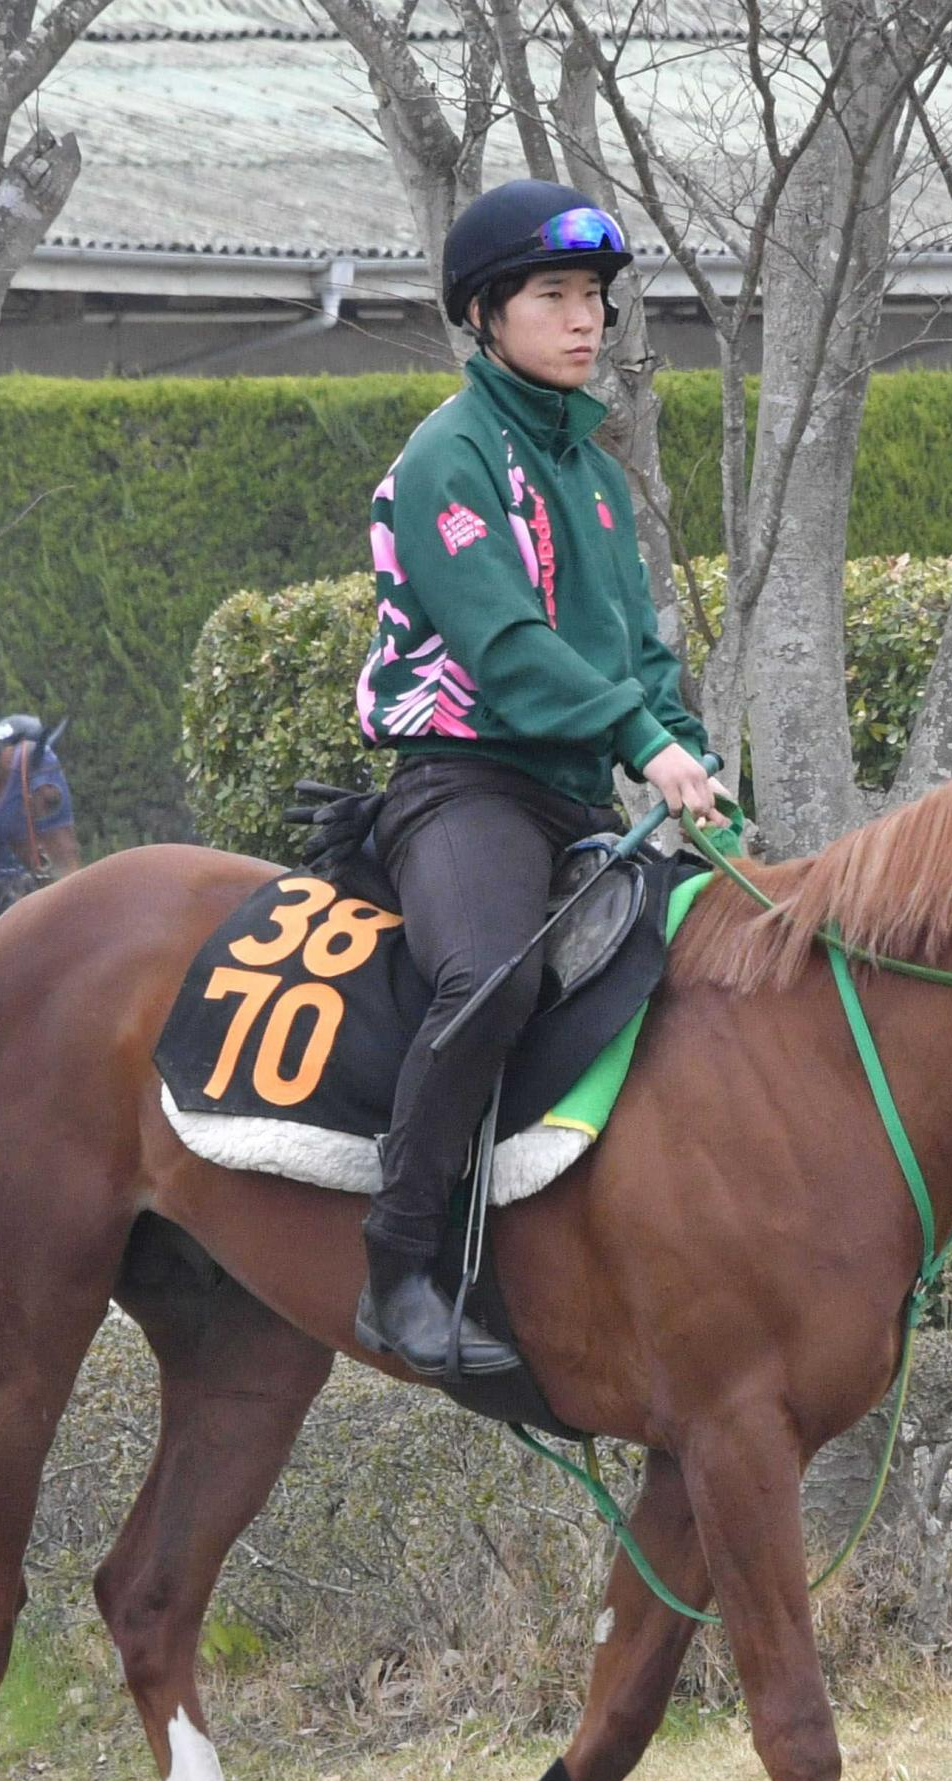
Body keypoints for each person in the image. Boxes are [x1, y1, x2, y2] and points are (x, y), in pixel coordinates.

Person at [352, 177, 725, 1379]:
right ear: (483, 315)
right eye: (554, 297)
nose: (585, 323)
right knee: (494, 973)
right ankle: (397, 1266)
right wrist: (645, 745)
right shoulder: (445, 460)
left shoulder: (600, 479)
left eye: (595, 300)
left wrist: (695, 762)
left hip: (578, 796)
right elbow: (509, 652)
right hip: (463, 785)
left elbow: (643, 660)